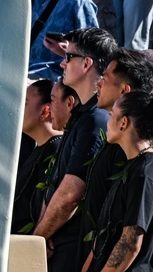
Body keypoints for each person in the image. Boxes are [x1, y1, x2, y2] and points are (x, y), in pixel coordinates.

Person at [34, 27, 115, 272]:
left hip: (72, 252)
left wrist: (36, 240)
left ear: (86, 64)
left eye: (68, 57)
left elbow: (71, 194)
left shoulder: (95, 119)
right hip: (60, 245)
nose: (62, 64)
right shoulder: (83, 117)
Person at [78, 48, 153, 265]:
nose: (98, 84)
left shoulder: (139, 165)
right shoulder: (123, 150)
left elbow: (129, 243)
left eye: (104, 78)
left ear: (124, 90)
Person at [82, 91, 153, 272]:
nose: (107, 122)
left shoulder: (145, 174)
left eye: (111, 115)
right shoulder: (134, 166)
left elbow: (129, 244)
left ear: (123, 122)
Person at [12, 79, 63, 234]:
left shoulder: (55, 149)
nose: (19, 108)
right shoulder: (41, 148)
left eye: (25, 103)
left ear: (45, 111)